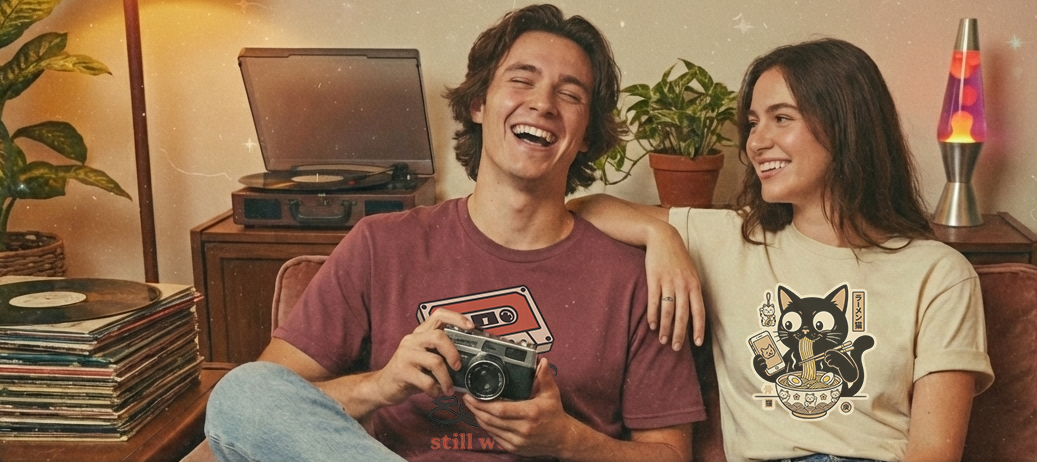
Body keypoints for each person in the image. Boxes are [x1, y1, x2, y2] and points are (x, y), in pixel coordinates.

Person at [203, 5, 705, 462]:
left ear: (588, 133)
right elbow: (267, 403)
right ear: (478, 104)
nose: (543, 103)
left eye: (569, 94)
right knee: (242, 391)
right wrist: (383, 385)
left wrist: (568, 441)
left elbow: (671, 456)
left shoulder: (638, 276)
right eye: (521, 80)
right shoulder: (381, 244)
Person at [568, 38, 993, 462]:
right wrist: (662, 236)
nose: (755, 143)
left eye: (781, 118)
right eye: (754, 123)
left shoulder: (939, 273)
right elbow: (584, 207)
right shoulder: (733, 238)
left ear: (845, 124)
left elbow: (934, 452)